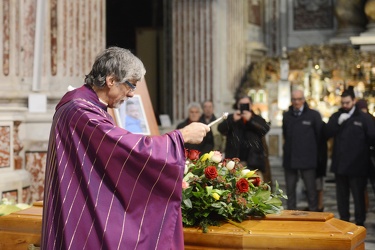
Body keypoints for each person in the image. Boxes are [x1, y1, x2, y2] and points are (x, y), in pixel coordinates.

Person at [41, 46, 210, 249]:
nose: (131, 94)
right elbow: (125, 148)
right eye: (130, 85)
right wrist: (181, 136)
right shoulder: (82, 110)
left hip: (78, 201)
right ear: (111, 80)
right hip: (80, 209)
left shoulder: (85, 104)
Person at [325, 88, 375, 226]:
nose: (345, 105)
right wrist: (337, 123)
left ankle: (360, 223)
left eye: (347, 102)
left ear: (354, 101)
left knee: (358, 197)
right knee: (342, 198)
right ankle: (344, 222)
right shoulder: (337, 116)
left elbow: (372, 137)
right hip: (340, 165)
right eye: (343, 103)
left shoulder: (364, 118)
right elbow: (326, 133)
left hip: (358, 166)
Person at [282, 89, 324, 212]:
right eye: (294, 99)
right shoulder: (287, 116)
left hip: (308, 159)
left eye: (299, 99)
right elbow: (286, 134)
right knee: (290, 192)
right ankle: (291, 218)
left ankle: (314, 218)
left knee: (311, 191)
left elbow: (319, 137)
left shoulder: (313, 115)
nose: (297, 102)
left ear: (304, 100)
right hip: (290, 159)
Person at [218, 95, 270, 178]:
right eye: (242, 104)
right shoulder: (232, 118)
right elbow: (220, 128)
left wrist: (250, 120)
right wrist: (232, 120)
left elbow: (265, 129)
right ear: (238, 105)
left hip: (253, 163)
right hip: (234, 163)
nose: (244, 106)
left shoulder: (256, 118)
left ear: (251, 105)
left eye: (247, 104)